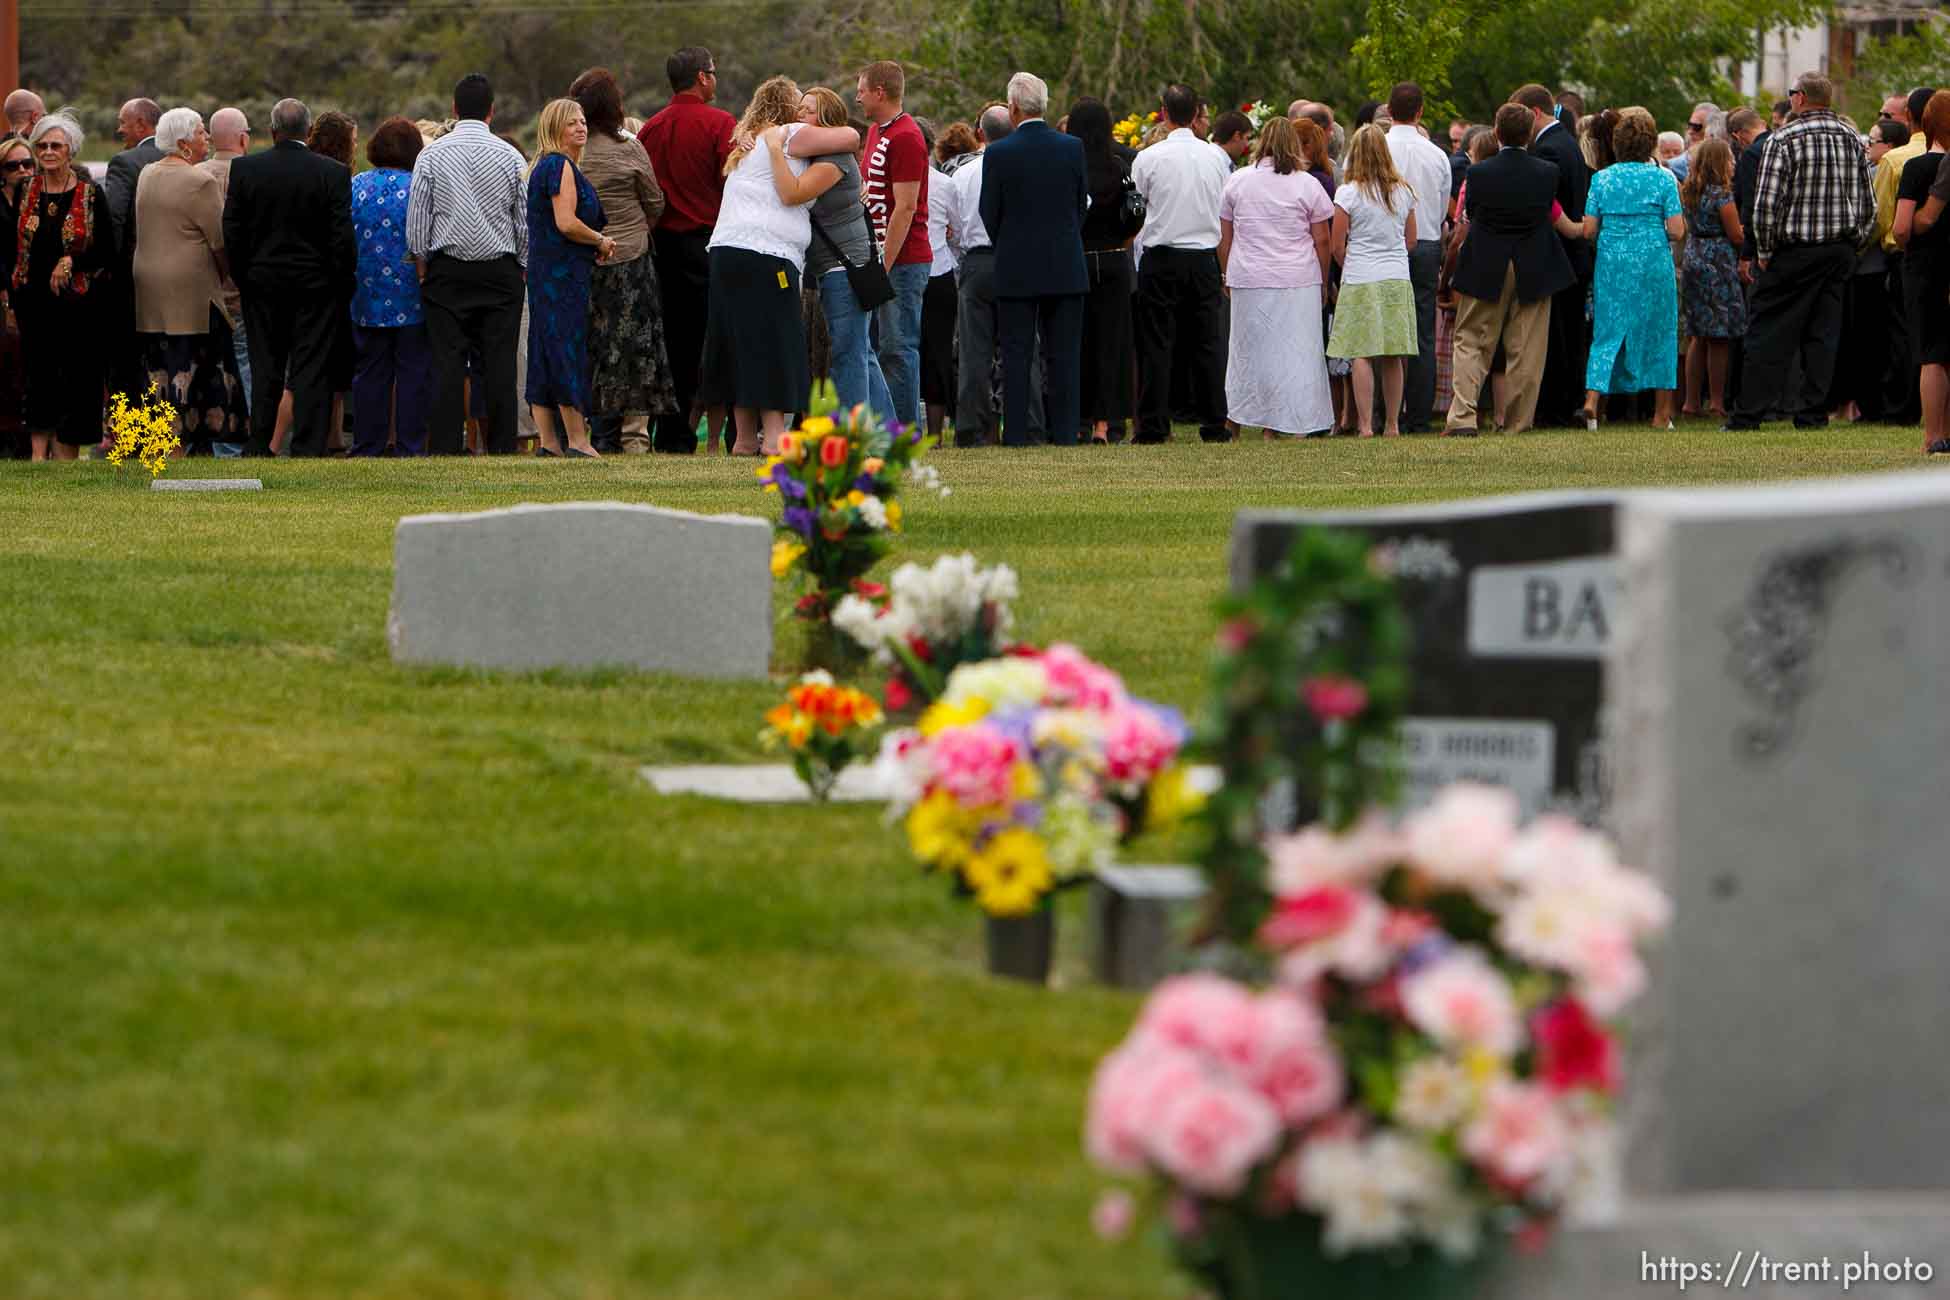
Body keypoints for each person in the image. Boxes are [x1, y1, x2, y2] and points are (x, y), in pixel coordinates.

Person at [702, 76, 855, 453]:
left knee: (739, 342)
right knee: (775, 340)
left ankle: (742, 438)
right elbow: (851, 137)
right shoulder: (787, 134)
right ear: (788, 107)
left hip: (725, 250)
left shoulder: (744, 145)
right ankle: (772, 437)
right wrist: (786, 135)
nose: (804, 112)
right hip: (767, 253)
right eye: (800, 104)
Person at [1723, 73, 1875, 432]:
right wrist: (1855, 243)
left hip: (1792, 249)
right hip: (1837, 248)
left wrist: (1764, 250)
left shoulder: (1784, 139)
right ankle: (1813, 413)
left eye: (1792, 93)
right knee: (1823, 333)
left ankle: (1748, 414)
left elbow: (1766, 205)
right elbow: (1868, 204)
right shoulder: (1852, 138)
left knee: (1767, 330)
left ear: (1801, 98)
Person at [221, 98, 353, 457]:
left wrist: (244, 276)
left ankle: (259, 441)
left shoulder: (247, 170)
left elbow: (232, 230)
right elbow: (341, 236)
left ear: (272, 131)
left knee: (266, 365)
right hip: (316, 286)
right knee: (311, 366)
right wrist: (340, 283)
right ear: (308, 132)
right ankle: (309, 444)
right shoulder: (332, 173)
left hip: (261, 284)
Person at [407, 74, 527, 455]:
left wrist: (422, 262)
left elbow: (417, 220)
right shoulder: (510, 156)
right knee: (499, 365)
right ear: (492, 111)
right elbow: (522, 220)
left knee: (448, 364)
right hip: (500, 270)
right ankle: (503, 446)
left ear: (454, 109)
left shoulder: (431, 155)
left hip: (447, 270)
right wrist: (521, 264)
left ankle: (444, 447)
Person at [1442, 103, 1577, 436]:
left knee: (1471, 340)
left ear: (1496, 132)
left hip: (1487, 263)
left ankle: (1462, 417)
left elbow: (1470, 215)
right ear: (1530, 133)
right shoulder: (1547, 173)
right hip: (1534, 264)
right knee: (1526, 348)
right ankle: (1517, 422)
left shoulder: (1478, 174)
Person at [570, 67, 678, 454]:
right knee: (636, 347)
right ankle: (634, 435)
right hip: (631, 256)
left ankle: (591, 430)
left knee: (592, 345)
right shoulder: (630, 147)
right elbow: (655, 202)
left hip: (585, 259)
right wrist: (636, 228)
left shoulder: (572, 155)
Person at [979, 70, 1087, 448]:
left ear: (1012, 108)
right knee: (1064, 356)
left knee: (1016, 355)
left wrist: (1009, 242)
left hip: (1016, 263)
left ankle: (1019, 435)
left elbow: (988, 211)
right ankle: (1065, 432)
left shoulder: (998, 153)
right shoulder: (1072, 148)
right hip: (1064, 262)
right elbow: (1079, 205)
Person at [766, 85, 888, 418]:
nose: (798, 115)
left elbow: (794, 194)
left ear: (825, 118)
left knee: (849, 354)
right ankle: (889, 430)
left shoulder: (833, 159)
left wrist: (773, 149)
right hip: (834, 265)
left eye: (807, 110)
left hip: (843, 266)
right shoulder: (813, 155)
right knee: (861, 352)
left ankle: (855, 434)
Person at [132, 106, 247, 456]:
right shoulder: (200, 181)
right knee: (195, 369)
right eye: (200, 132)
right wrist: (229, 275)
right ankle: (188, 443)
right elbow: (218, 240)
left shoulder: (147, 173)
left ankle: (164, 444)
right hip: (191, 294)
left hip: (149, 289)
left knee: (159, 369)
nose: (206, 137)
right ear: (183, 143)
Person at [639, 46, 735, 453]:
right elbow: (732, 184)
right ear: (701, 77)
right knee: (712, 343)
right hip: (707, 243)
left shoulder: (651, 129)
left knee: (671, 342)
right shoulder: (721, 125)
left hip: (661, 247)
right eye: (713, 72)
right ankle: (724, 432)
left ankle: (672, 431)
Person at [1219, 114, 1334, 438]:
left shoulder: (1238, 180)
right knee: (1294, 351)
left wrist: (1227, 271)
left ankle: (1236, 420)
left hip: (1249, 275)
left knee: (1246, 350)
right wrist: (1324, 280)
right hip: (1297, 277)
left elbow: (1225, 235)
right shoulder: (1306, 183)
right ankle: (1278, 424)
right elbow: (1322, 239)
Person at [1131, 83, 1232, 443]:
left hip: (1163, 255)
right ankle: (1214, 421)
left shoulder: (1148, 158)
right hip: (1203, 255)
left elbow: (1136, 206)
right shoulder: (1216, 158)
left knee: (1157, 343)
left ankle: (1155, 424)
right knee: (1207, 341)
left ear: (1164, 112)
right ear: (1196, 115)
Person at [7, 113, 112, 460]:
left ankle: (67, 457)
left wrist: (72, 261)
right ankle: (39, 457)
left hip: (77, 306)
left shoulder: (91, 194)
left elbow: (106, 250)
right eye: (42, 145)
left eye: (56, 145)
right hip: (33, 303)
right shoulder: (26, 190)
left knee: (75, 381)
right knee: (38, 378)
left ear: (70, 151)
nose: (48, 152)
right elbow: (11, 245)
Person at [1580, 106, 1684, 430]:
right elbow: (1678, 230)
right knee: (1661, 329)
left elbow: (1588, 230)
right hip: (1653, 259)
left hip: (1612, 260)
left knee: (1608, 330)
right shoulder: (1663, 179)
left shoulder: (1601, 179)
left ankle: (1592, 400)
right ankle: (1661, 414)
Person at [523, 99, 615, 459]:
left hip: (547, 271)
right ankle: (577, 440)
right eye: (571, 123)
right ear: (554, 129)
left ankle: (549, 442)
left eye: (582, 121)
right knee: (565, 348)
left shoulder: (543, 167)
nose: (581, 127)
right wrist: (600, 239)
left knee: (544, 350)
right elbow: (566, 222)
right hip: (561, 276)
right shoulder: (559, 165)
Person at [948, 106, 1038, 445]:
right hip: (1016, 259)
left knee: (974, 353)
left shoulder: (963, 174)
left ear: (979, 134)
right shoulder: (1026, 168)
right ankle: (1028, 425)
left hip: (977, 261)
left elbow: (954, 227)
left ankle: (971, 429)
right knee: (1023, 347)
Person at [1327, 124, 1417, 437]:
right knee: (1394, 352)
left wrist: (1349, 260)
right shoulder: (1402, 190)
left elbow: (1337, 243)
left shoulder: (1348, 193)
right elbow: (1411, 240)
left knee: (1361, 351)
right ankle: (1392, 423)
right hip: (1395, 275)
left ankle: (1365, 424)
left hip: (1361, 276)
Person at [348, 116, 431, 456]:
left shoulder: (356, 185)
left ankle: (368, 443)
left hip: (366, 292)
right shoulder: (419, 187)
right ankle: (411, 445)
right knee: (412, 372)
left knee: (369, 372)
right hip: (412, 294)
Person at [858, 60, 932, 428]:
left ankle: (904, 430)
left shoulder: (906, 136)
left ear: (880, 92)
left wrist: (883, 265)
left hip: (904, 259)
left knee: (898, 347)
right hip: (878, 253)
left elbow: (905, 207)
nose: (858, 97)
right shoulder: (876, 133)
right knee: (880, 347)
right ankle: (886, 425)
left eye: (862, 90)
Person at [1514, 84, 1590, 428]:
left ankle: (1556, 408)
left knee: (1558, 337)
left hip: (1560, 255)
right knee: (1569, 334)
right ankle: (1568, 403)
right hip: (1573, 255)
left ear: (1534, 113)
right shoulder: (1565, 143)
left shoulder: (1549, 150)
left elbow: (1546, 201)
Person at [1383, 81, 1450, 433]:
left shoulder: (1376, 147)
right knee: (1423, 328)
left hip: (1385, 243)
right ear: (1420, 111)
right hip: (1424, 240)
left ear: (1388, 111)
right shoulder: (1436, 155)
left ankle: (1381, 412)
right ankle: (1418, 414)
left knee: (1382, 328)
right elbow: (1440, 208)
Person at [1067, 97, 1135, 445]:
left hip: (1077, 258)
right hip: (1112, 258)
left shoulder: (1068, 165)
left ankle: (1078, 418)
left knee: (1079, 341)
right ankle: (1108, 422)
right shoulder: (1120, 165)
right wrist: (1123, 240)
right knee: (1113, 344)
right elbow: (1136, 211)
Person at [1892, 90, 1950, 454]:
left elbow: (1902, 227)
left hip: (1926, 264)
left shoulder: (1917, 168)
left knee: (1931, 352)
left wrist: (1906, 243)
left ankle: (1933, 435)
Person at [1678, 137, 1747, 419]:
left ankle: (1690, 402)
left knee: (1696, 334)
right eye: (1729, 159)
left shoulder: (1690, 190)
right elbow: (1736, 234)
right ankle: (1716, 402)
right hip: (1717, 261)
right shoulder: (1721, 195)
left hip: (1694, 255)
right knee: (1718, 335)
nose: (1733, 163)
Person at [199, 106, 252, 447]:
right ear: (244, 138)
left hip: (202, 295)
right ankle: (241, 439)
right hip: (241, 292)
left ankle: (204, 439)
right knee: (244, 366)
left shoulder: (195, 174)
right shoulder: (252, 173)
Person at [917, 116, 958, 440]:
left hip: (904, 271)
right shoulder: (945, 184)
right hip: (939, 269)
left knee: (901, 351)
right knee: (938, 352)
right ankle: (935, 434)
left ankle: (904, 428)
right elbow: (957, 228)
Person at [0, 132, 30, 458]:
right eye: (13, 165)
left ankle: (23, 443)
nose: (22, 170)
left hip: (30, 295)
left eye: (27, 163)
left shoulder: (37, 201)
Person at [104, 98, 162, 254]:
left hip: (133, 262)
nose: (119, 130)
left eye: (122, 123)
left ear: (140, 125)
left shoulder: (123, 162)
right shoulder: (179, 156)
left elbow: (114, 216)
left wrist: (108, 263)